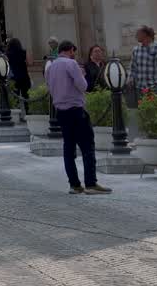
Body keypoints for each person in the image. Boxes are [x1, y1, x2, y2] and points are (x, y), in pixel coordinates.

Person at [45, 40, 112, 195]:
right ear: (70, 50)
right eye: (73, 52)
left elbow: (50, 87)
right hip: (76, 109)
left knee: (68, 149)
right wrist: (81, 74)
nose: (74, 54)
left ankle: (74, 185)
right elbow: (83, 86)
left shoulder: (51, 66)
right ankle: (90, 183)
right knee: (88, 146)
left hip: (60, 112)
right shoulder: (71, 64)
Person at [129, 26, 157, 96]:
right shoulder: (136, 49)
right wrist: (130, 79)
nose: (136, 36)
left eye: (138, 34)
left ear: (144, 34)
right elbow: (133, 67)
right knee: (143, 107)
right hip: (141, 87)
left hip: (156, 86)